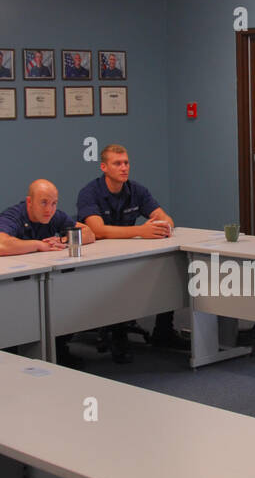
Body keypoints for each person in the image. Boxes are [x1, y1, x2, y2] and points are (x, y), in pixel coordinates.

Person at [77, 144, 188, 362]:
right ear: (104, 167)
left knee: (167, 270)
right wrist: (141, 231)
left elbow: (166, 218)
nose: (124, 168)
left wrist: (163, 225)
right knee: (117, 282)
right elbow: (98, 230)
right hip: (96, 260)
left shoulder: (136, 190)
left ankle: (164, 331)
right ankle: (118, 337)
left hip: (129, 253)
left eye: (126, 163)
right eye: (117, 163)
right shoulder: (90, 193)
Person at [0, 179, 95, 368]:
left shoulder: (54, 216)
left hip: (42, 279)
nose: (49, 209)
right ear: (29, 202)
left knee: (69, 296)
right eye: (43, 202)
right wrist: (39, 245)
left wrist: (64, 240)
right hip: (10, 285)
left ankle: (59, 347)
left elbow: (89, 233)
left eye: (54, 203)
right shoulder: (12, 216)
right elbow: (0, 245)